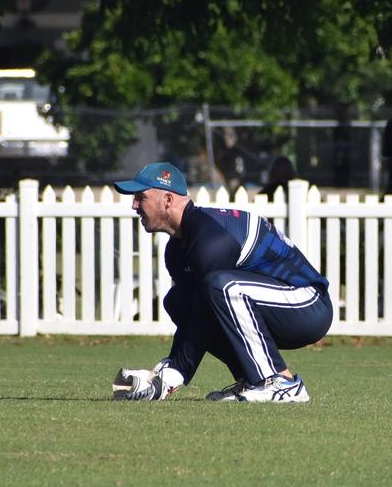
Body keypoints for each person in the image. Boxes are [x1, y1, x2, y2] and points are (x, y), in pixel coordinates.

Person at [110, 162, 332, 403]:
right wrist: (166, 372)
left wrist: (171, 375)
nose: (134, 205)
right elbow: (198, 314)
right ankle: (255, 380)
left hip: (308, 305)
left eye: (140, 197)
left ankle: (281, 384)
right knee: (178, 302)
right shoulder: (177, 249)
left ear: (167, 199)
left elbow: (207, 308)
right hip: (276, 305)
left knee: (221, 286)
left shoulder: (210, 239)